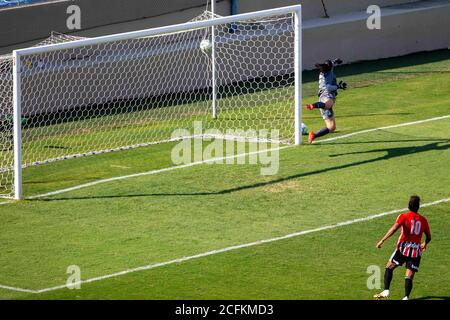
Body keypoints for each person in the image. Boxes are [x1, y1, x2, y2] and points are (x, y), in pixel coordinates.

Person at [374, 195, 431, 300]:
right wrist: (425, 244)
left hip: (403, 249)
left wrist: (382, 240)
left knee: (389, 267)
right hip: (415, 251)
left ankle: (386, 291)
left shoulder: (403, 216)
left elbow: (394, 229)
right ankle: (405, 297)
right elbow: (429, 237)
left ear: (409, 205)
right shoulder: (423, 220)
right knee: (409, 276)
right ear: (418, 207)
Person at [305, 58, 347, 144]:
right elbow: (328, 87)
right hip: (326, 95)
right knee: (328, 104)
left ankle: (313, 135)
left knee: (331, 127)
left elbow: (331, 63)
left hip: (323, 97)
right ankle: (313, 105)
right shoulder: (327, 75)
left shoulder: (326, 68)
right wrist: (338, 86)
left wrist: (336, 61)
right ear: (329, 68)